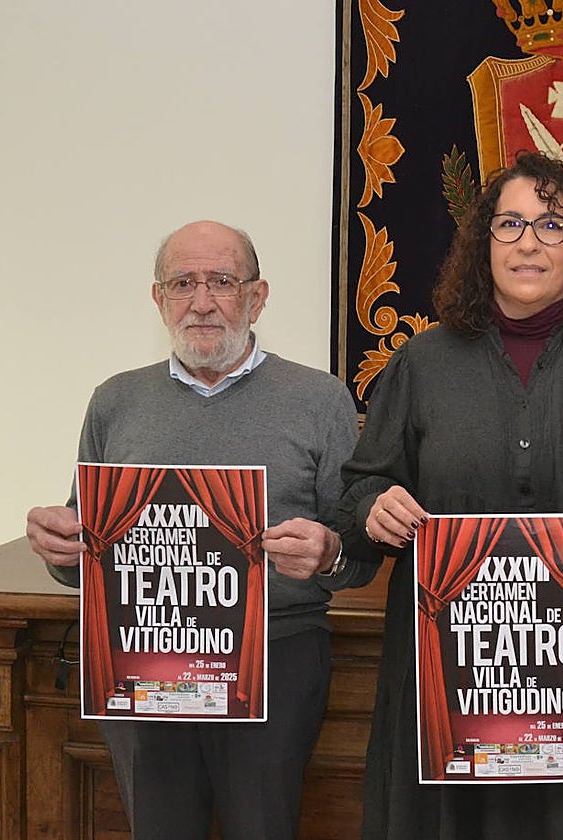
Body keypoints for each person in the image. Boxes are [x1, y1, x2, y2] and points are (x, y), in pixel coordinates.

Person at [337, 151, 563, 839]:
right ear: (484, 243)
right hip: (448, 682)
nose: (528, 241)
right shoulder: (422, 361)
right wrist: (372, 507)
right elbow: (357, 499)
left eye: (551, 225)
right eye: (509, 224)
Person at [25, 221, 363, 840]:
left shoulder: (320, 400)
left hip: (277, 653)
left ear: (257, 297)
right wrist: (60, 548)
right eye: (183, 283)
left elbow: (358, 555)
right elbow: (84, 552)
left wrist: (330, 551)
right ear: (158, 299)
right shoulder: (115, 402)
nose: (201, 301)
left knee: (262, 827)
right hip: (141, 659)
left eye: (222, 282)